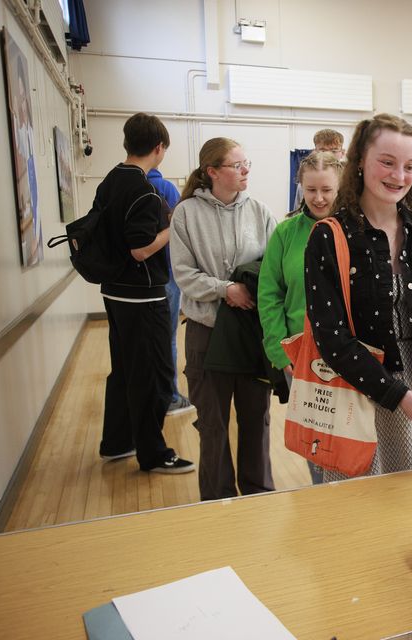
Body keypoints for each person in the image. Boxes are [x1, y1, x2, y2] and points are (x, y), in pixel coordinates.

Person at [303, 113, 412, 481]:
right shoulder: (329, 237)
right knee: (367, 515)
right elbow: (331, 336)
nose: (399, 176)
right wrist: (394, 394)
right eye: (388, 163)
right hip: (361, 396)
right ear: (360, 159)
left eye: (410, 166)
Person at [170, 137, 277, 500]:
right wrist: (225, 288)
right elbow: (183, 275)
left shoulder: (260, 212)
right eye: (237, 165)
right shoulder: (185, 214)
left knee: (256, 422)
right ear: (212, 172)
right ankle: (216, 502)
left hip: (249, 334)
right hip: (207, 333)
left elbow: (275, 270)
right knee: (212, 426)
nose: (245, 170)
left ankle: (259, 494)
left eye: (247, 164)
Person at [96, 113, 194, 474]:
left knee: (123, 370)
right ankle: (153, 453)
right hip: (142, 296)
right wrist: (174, 225)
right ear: (159, 148)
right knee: (154, 372)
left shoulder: (109, 182)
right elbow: (140, 249)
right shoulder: (144, 188)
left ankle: (117, 441)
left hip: (115, 293)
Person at [258, 150, 345, 485]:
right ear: (301, 188)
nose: (319, 198)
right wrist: (281, 354)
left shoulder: (357, 228)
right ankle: (322, 500)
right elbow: (269, 296)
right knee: (316, 440)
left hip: (354, 354)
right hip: (302, 356)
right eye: (311, 190)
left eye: (327, 190)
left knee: (354, 435)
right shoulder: (286, 233)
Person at [146, 167, 194, 417]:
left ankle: (152, 396)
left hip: (136, 284)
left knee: (147, 342)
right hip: (166, 275)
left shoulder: (124, 186)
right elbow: (177, 234)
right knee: (168, 339)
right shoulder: (165, 188)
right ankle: (171, 396)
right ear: (159, 149)